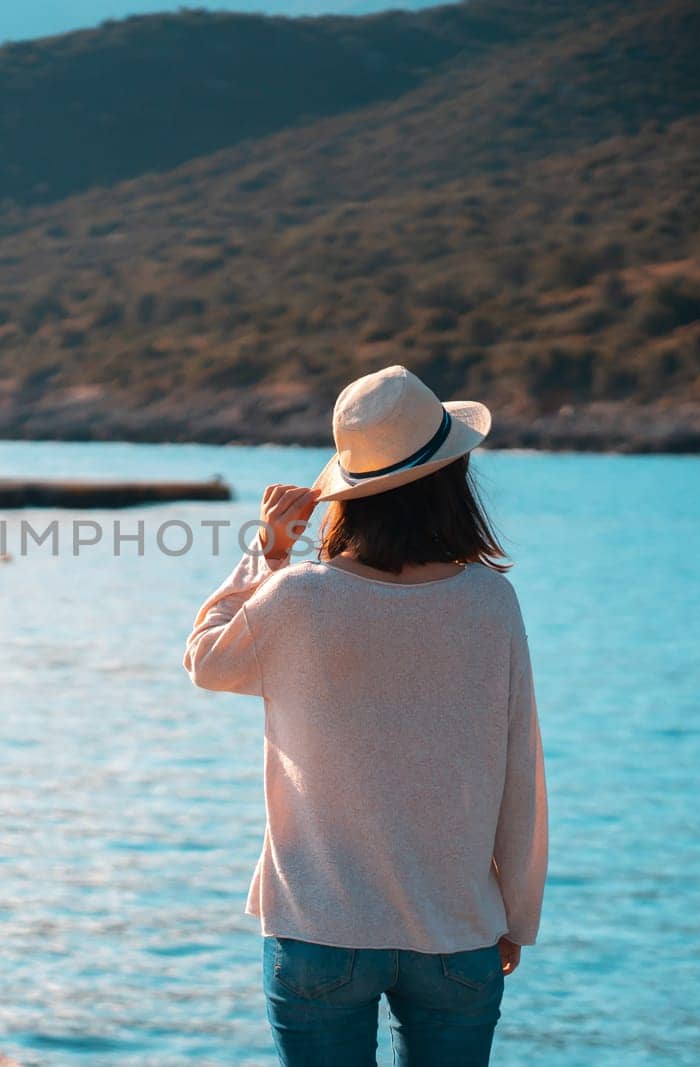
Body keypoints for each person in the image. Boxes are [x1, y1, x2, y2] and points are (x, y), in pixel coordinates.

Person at [184, 365, 548, 1067]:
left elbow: (205, 659)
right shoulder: (490, 603)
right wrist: (516, 915)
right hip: (457, 931)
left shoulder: (296, 597)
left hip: (319, 928)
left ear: (349, 494)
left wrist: (270, 549)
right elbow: (519, 768)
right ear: (451, 482)